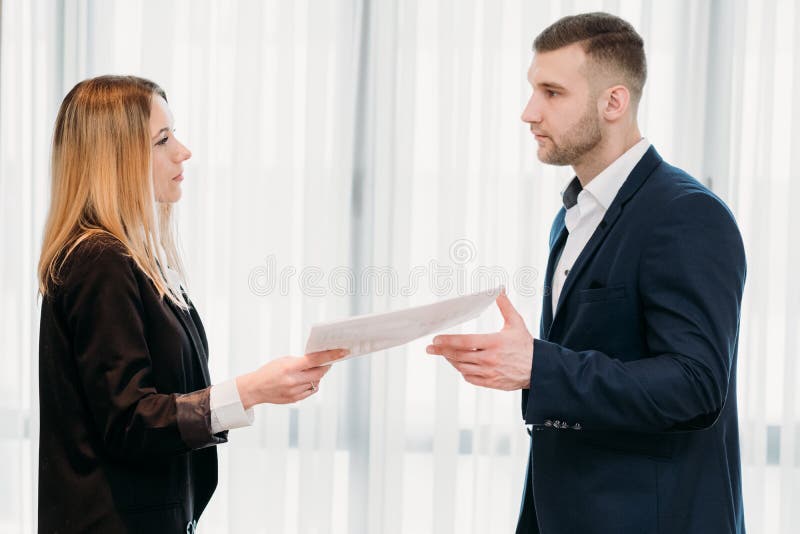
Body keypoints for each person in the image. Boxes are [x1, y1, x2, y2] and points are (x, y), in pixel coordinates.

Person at [426, 12, 746, 534]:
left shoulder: (686, 215)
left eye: (552, 92)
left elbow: (695, 384)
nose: (529, 112)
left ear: (613, 102)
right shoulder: (574, 214)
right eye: (533, 89)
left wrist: (539, 368)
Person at [37, 75, 346, 533]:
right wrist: (251, 390)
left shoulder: (133, 261)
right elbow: (130, 421)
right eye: (163, 140)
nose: (183, 151)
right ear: (117, 159)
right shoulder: (99, 260)